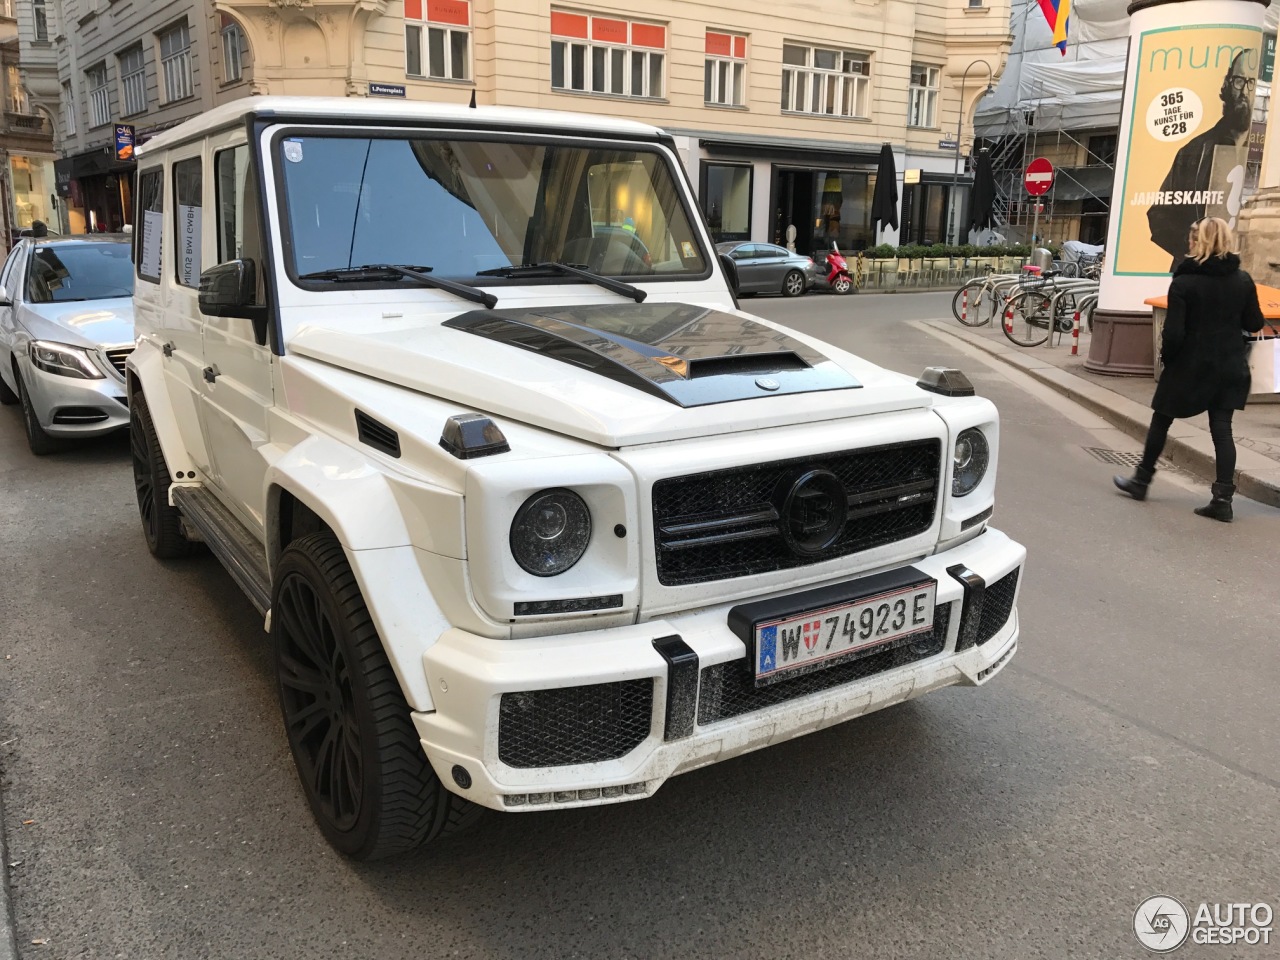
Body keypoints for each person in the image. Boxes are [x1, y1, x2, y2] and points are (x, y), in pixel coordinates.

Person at [1114, 218, 1266, 521]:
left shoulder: (1184, 282)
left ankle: (1141, 482)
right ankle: (1222, 500)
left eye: (1192, 238)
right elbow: (1254, 323)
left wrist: (1168, 361)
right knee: (1222, 431)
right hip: (1229, 366)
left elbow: (1173, 333)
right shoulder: (1243, 280)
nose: (1189, 243)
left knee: (1161, 420)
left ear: (1200, 242)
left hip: (1190, 365)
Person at [1147, 51, 1257, 270]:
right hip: (1195, 268)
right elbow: (1159, 214)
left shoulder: (1261, 150)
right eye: (1238, 81)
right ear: (1226, 86)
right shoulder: (1195, 150)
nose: (1245, 90)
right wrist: (1198, 251)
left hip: (1233, 270)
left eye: (1251, 83)